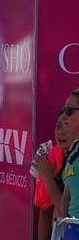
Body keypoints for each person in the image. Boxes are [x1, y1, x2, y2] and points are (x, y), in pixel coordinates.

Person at [33, 106, 76, 240]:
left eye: (67, 126)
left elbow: (63, 212)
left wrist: (47, 175)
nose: (61, 133)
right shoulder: (52, 157)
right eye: (59, 126)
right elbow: (45, 209)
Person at [50, 89, 79, 220]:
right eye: (63, 110)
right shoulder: (74, 150)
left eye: (69, 111)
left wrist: (46, 175)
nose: (62, 117)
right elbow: (64, 206)